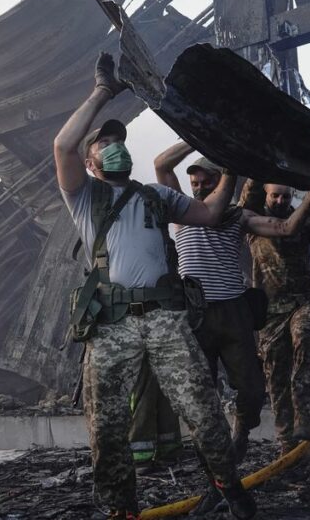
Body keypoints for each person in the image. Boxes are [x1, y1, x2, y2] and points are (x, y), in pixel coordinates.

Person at [52, 53, 255, 520]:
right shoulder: (85, 195)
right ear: (91, 160)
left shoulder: (154, 195)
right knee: (107, 426)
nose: (116, 147)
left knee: (203, 411)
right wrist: (103, 90)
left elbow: (208, 213)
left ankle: (231, 488)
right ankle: (121, 508)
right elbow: (63, 146)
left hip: (166, 320)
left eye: (119, 142)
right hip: (112, 325)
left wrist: (232, 167)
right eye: (105, 143)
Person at [153, 142, 310, 462]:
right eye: (195, 183)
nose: (200, 187)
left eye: (207, 181)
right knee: (201, 387)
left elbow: (285, 228)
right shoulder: (182, 209)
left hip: (233, 310)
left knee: (251, 388)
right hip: (196, 311)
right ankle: (214, 450)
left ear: (223, 181)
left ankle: (242, 431)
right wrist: (200, 140)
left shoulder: (238, 216)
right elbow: (162, 165)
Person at [239, 179, 310, 452]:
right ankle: (286, 440)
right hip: (270, 309)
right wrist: (259, 169)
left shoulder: (302, 218)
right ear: (266, 193)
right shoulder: (253, 219)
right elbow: (247, 196)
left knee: (306, 337)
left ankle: (304, 417)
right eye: (275, 196)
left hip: (302, 301)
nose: (280, 202)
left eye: (285, 197)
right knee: (276, 373)